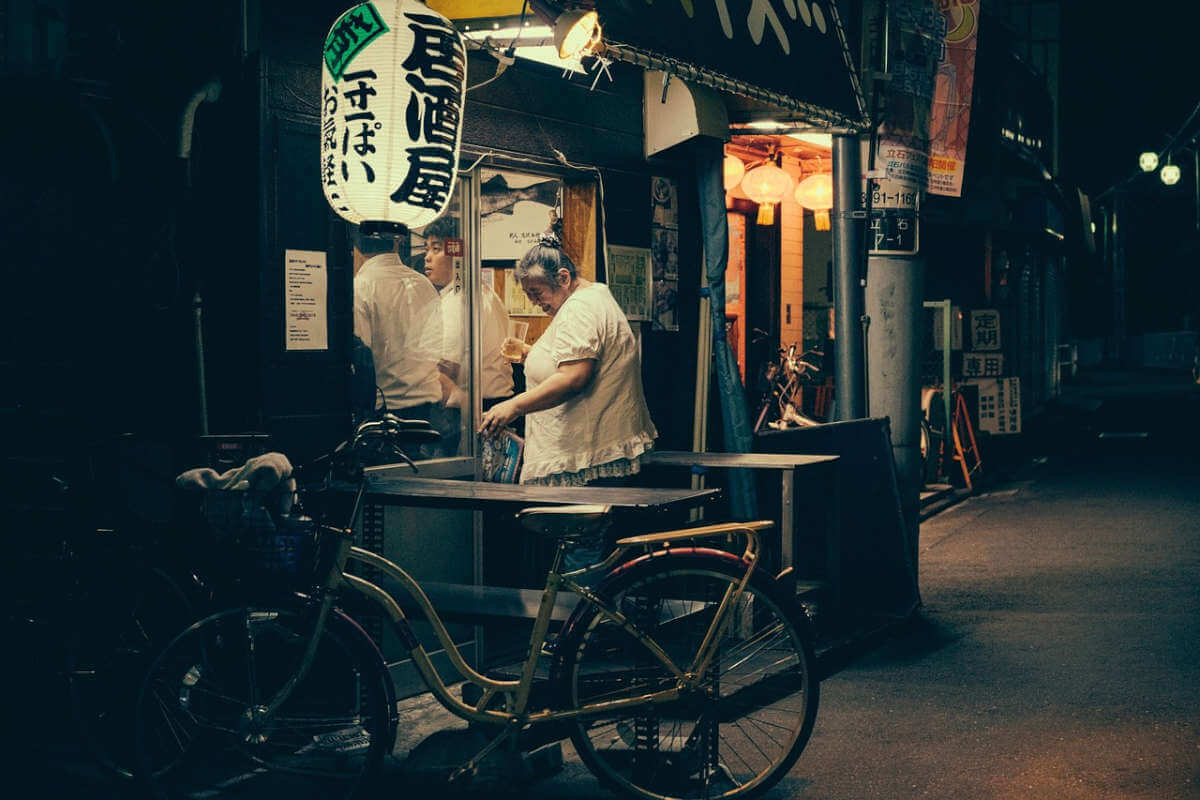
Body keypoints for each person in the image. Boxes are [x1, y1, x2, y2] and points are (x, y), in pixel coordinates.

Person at [478, 234, 658, 570]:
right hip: (589, 449)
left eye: (537, 293)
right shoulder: (590, 298)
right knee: (586, 547)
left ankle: (583, 621)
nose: (535, 303)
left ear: (563, 278)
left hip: (588, 453)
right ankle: (586, 619)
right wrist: (533, 355)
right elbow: (577, 361)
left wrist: (513, 405)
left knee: (582, 550)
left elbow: (575, 377)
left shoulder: (580, 308)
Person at [420, 216, 515, 455]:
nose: (427, 256)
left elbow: (444, 374)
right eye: (426, 248)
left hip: (465, 414)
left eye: (436, 248)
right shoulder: (484, 293)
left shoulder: (456, 302)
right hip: (496, 405)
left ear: (457, 253)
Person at [352, 225, 445, 436]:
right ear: (397, 242)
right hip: (428, 403)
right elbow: (435, 346)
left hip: (386, 408)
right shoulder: (423, 284)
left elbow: (362, 356)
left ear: (355, 246)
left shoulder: (361, 286)